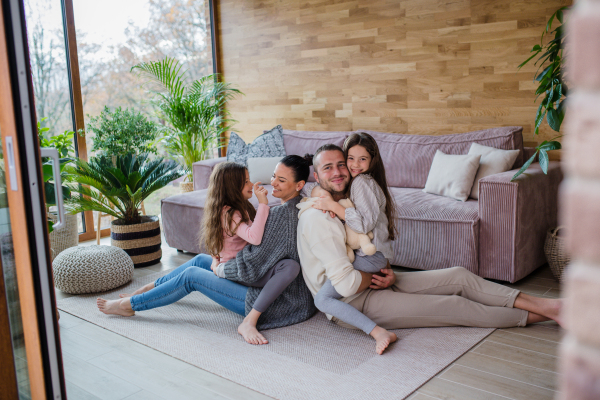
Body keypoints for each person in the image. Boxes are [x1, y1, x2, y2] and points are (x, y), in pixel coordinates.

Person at [296, 142, 562, 350]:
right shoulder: (320, 217)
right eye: (327, 168)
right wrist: (377, 277)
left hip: (373, 279)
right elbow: (345, 284)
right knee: (453, 306)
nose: (338, 171)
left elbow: (368, 245)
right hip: (352, 301)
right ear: (316, 177)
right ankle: (546, 316)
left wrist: (386, 270)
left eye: (341, 164)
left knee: (458, 275)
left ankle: (549, 306)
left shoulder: (347, 202)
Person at [97, 157, 316, 345]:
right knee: (202, 260)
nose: (272, 183)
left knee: (193, 276)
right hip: (267, 284)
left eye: (282, 180)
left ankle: (128, 305)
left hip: (271, 301)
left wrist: (221, 270)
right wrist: (216, 261)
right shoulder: (290, 206)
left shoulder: (281, 215)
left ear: (299, 185)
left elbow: (253, 266)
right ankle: (148, 288)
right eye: (274, 176)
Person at [301, 133, 399, 354]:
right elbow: (315, 190)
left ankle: (377, 332)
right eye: (351, 159)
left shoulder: (362, 183)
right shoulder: (359, 182)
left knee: (323, 299)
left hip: (370, 257)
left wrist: (335, 208)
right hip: (374, 256)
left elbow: (363, 225)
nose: (355, 165)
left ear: (372, 161)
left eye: (362, 159)